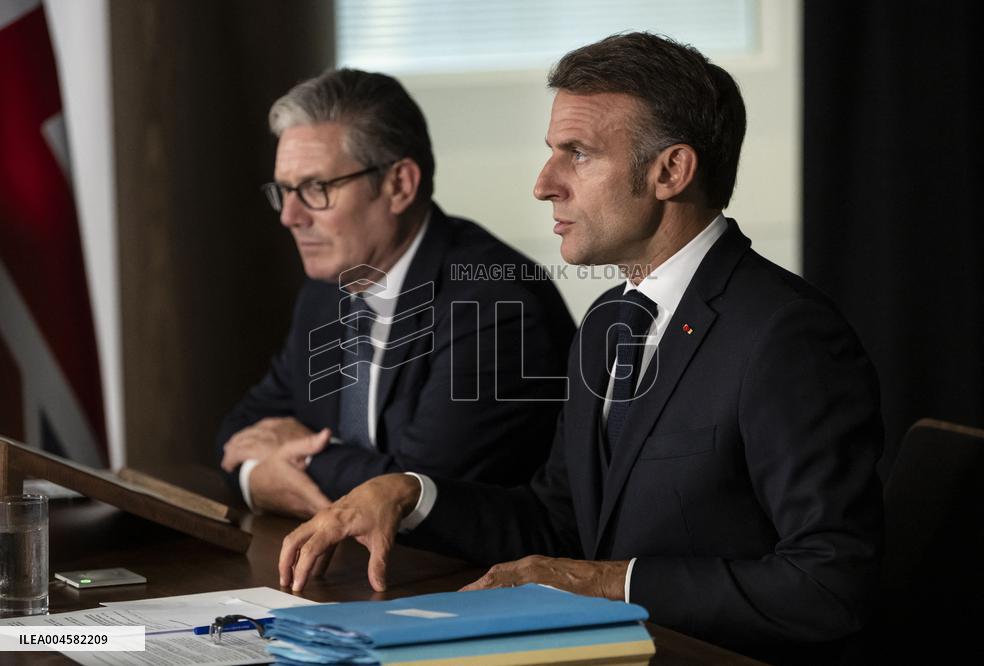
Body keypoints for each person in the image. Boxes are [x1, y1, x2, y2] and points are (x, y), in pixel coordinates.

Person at [277, 34, 883, 663]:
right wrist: (409, 493)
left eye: (578, 154)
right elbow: (559, 522)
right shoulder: (608, 320)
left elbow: (829, 586)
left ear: (670, 171)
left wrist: (602, 582)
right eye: (552, 153)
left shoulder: (787, 335)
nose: (544, 184)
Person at [217, 69, 575, 519]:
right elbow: (239, 431)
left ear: (399, 185)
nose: (290, 216)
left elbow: (419, 490)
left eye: (316, 188)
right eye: (286, 191)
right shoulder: (326, 295)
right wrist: (257, 477)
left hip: (472, 578)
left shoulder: (493, 305)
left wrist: (295, 453)